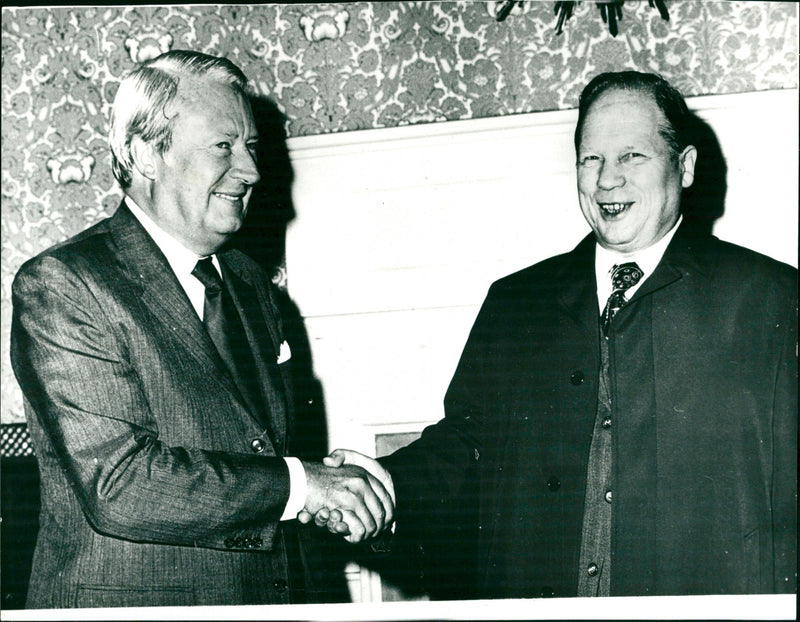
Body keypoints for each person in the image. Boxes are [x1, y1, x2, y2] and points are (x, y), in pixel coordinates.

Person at [317, 71, 797, 598]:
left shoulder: (769, 299)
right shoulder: (516, 303)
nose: (606, 180)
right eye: (591, 160)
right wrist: (383, 487)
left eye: (631, 157)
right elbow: (464, 448)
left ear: (683, 167)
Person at [10, 50, 392, 609]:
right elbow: (123, 486)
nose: (252, 171)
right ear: (145, 153)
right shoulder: (64, 284)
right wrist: (305, 486)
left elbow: (257, 457)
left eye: (252, 147)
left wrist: (325, 490)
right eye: (224, 147)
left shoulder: (249, 282)